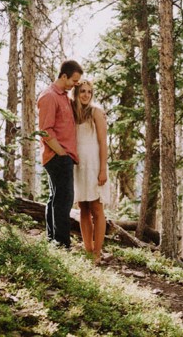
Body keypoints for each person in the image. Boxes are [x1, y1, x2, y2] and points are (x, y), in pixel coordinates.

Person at [37, 60, 83, 248]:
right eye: (73, 80)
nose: (75, 84)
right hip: (57, 155)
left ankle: (52, 238)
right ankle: (62, 242)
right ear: (63, 76)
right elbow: (45, 130)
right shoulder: (49, 96)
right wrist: (61, 153)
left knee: (55, 197)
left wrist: (77, 85)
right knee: (64, 200)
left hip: (61, 155)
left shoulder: (63, 95)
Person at [71, 80, 110, 263]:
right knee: (83, 208)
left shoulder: (96, 112)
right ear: (77, 93)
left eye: (89, 92)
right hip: (79, 166)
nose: (86, 95)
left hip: (94, 164)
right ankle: (88, 250)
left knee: (96, 207)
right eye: (82, 91)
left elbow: (103, 143)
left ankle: (97, 252)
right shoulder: (73, 112)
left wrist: (102, 169)